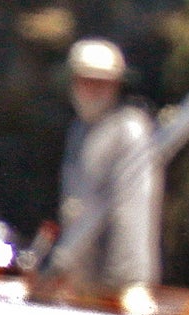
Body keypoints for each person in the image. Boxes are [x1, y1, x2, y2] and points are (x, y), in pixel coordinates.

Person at [56, 38, 159, 295]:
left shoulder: (130, 129)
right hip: (81, 280)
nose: (92, 89)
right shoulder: (79, 130)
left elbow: (133, 209)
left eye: (102, 81)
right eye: (86, 80)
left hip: (117, 284)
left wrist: (128, 284)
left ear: (116, 85)